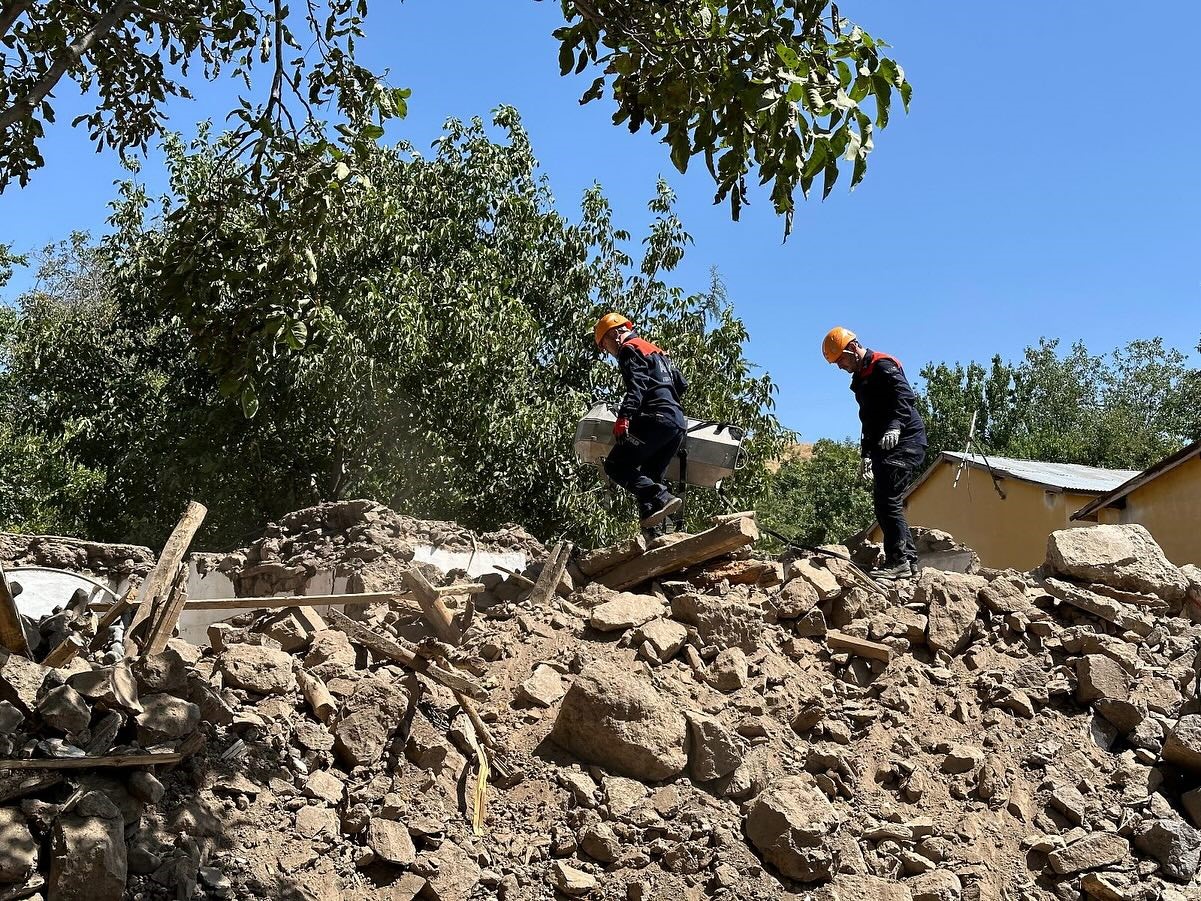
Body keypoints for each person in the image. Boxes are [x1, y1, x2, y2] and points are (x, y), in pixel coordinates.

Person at [822, 326, 927, 580]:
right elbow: (867, 418)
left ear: (852, 349)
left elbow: (905, 397)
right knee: (886, 501)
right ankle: (908, 561)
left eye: (841, 360)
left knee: (887, 500)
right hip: (884, 446)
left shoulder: (882, 365)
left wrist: (895, 427)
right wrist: (866, 454)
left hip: (906, 440)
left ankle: (899, 561)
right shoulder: (860, 379)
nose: (839, 367)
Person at [594, 313, 687, 530]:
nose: (608, 351)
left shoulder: (629, 349)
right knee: (648, 477)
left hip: (655, 418)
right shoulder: (657, 351)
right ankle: (655, 532)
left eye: (605, 345)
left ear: (615, 334)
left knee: (616, 465)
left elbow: (637, 386)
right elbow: (681, 384)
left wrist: (624, 417)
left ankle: (662, 497)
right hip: (676, 423)